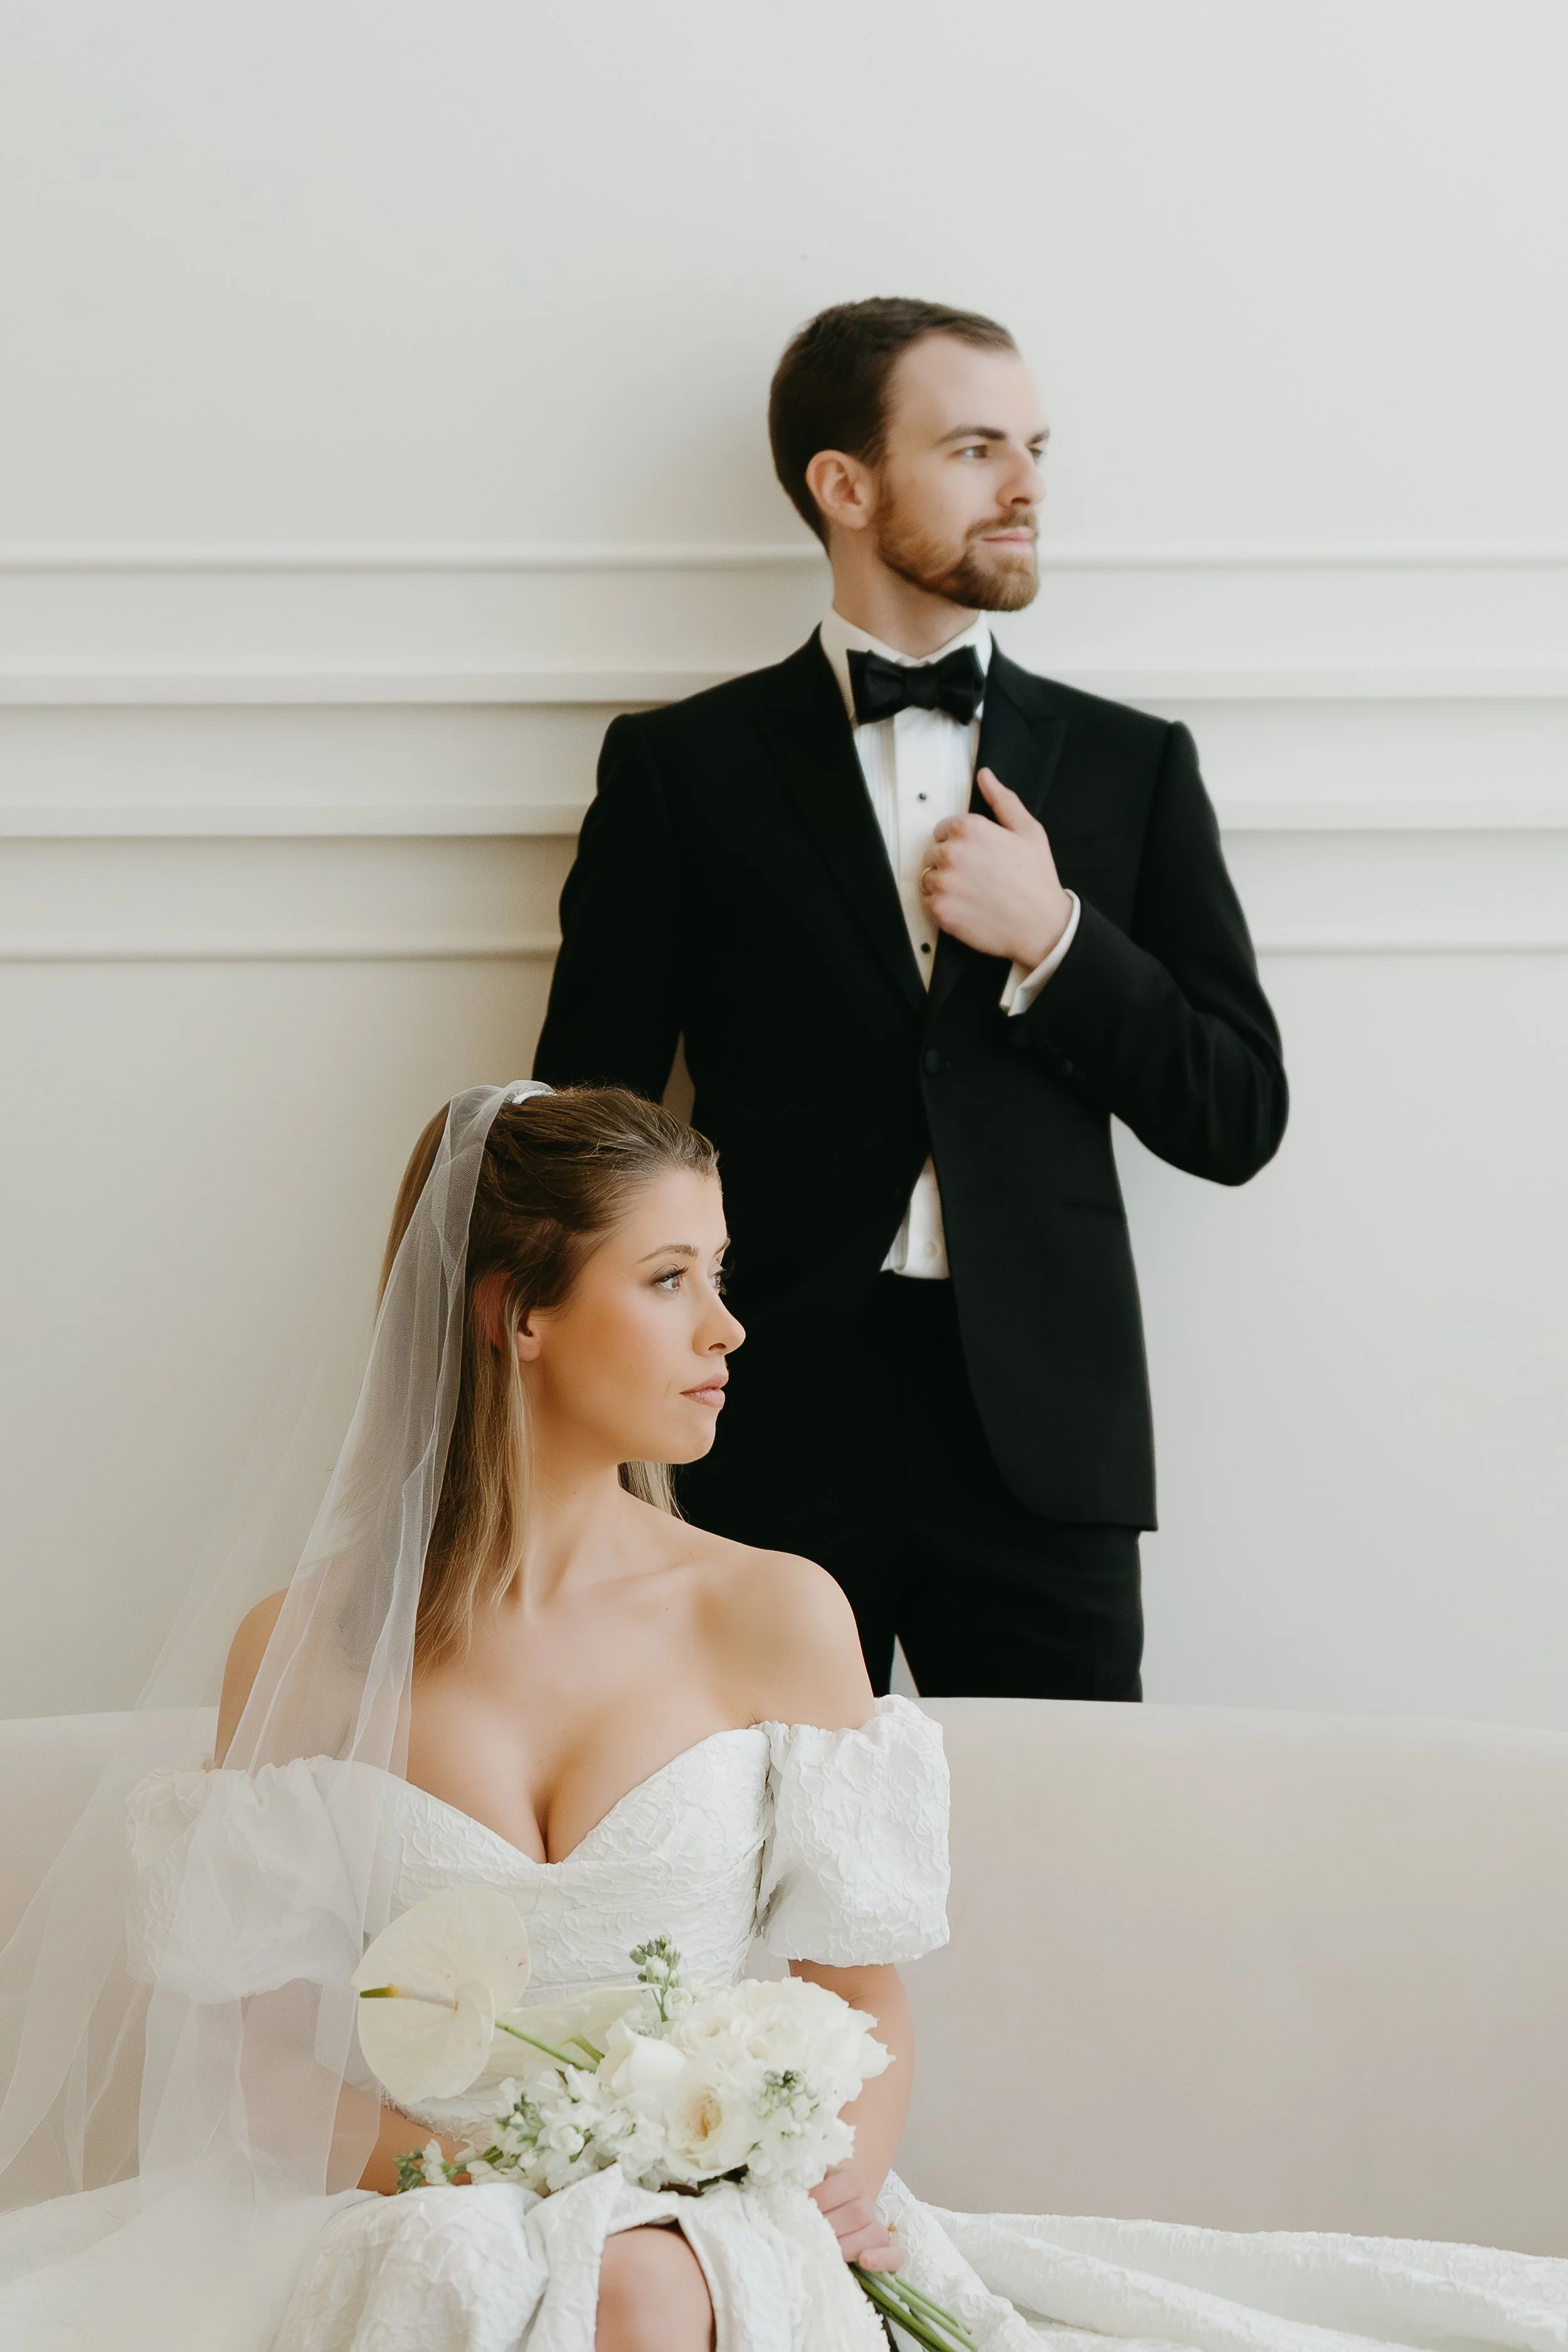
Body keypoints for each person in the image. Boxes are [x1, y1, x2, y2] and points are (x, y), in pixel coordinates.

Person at [0, 1081, 1559, 2352]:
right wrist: (487, 2176)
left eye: (719, 1277)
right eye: (668, 1280)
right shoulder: (307, 1651)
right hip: (408, 2211)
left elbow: (861, 1999)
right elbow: (257, 2053)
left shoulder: (771, 1615)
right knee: (481, 2271)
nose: (725, 1329)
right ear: (516, 1313)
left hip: (717, 2224)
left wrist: (796, 2185)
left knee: (641, 2287)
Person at [532, 296, 1288, 1706]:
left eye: (1036, 450)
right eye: (975, 449)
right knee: (745, 1828)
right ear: (845, 483)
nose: (1026, 489)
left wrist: (1058, 938)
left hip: (1044, 1444)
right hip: (750, 1416)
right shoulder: (680, 771)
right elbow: (583, 1127)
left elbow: (1237, 1113)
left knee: (1060, 1830)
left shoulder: (1134, 767)